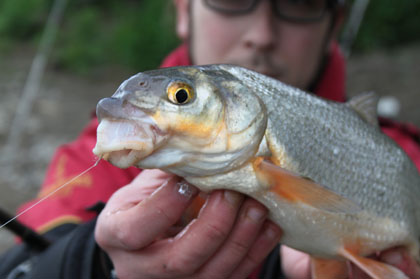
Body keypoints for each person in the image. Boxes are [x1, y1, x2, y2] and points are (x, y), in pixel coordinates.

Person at [1, 0, 420, 278]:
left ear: (335, 22)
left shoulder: (406, 154)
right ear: (183, 9)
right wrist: (93, 262)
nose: (262, 32)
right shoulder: (96, 158)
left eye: (299, 2)